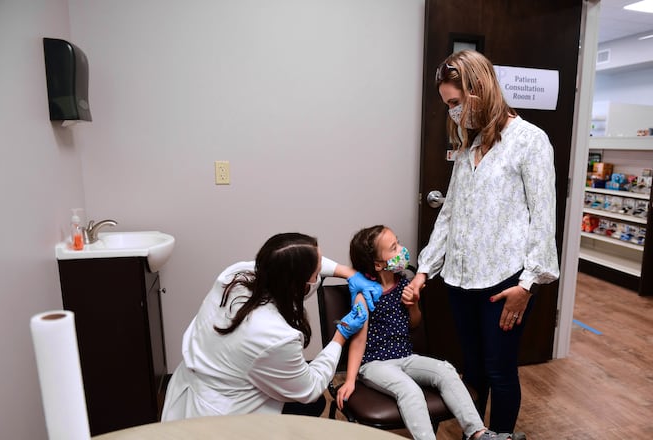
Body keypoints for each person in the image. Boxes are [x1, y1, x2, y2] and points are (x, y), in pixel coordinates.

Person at [409, 50, 560, 434]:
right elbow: (450, 213)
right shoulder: (470, 148)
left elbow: (543, 219)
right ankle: (476, 434)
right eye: (448, 105)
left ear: (480, 88)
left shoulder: (530, 141)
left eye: (456, 102)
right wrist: (425, 269)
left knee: (500, 369)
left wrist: (526, 286)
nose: (454, 112)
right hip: (461, 281)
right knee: (473, 368)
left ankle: (503, 436)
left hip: (505, 283)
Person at [161, 232, 383, 420]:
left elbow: (293, 262)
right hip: (222, 414)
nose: (319, 276)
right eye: (316, 274)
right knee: (311, 404)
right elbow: (311, 388)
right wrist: (341, 335)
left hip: (200, 380)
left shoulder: (236, 275)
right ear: (298, 285)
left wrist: (348, 273)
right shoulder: (274, 336)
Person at [337, 225, 524, 440]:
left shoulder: (403, 284)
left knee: (445, 370)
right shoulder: (365, 295)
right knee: (410, 391)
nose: (401, 250)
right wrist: (350, 380)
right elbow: (358, 342)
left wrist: (413, 305)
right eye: (394, 248)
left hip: (405, 358)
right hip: (375, 364)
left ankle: (478, 433)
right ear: (378, 264)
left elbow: (414, 324)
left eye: (397, 243)